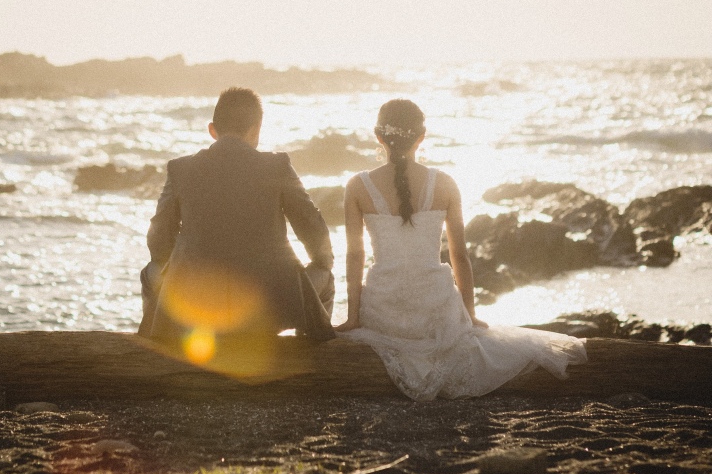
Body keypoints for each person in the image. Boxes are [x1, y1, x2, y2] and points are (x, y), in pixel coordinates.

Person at [336, 98, 587, 400]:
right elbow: (459, 255)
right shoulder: (445, 183)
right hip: (436, 310)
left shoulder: (357, 186)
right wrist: (469, 313)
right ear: (421, 138)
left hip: (384, 310)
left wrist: (353, 317)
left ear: (378, 137)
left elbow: (354, 255)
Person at [140, 87, 335, 343]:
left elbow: (158, 240)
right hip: (271, 309)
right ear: (255, 130)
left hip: (197, 308)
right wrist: (322, 263)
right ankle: (307, 356)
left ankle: (159, 345)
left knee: (151, 271)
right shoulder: (277, 167)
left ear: (212, 130)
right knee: (324, 274)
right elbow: (312, 229)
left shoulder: (181, 169)